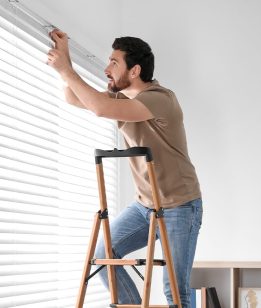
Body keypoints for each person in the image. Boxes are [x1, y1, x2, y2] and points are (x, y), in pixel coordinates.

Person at [47, 30, 203, 308]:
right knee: (105, 255)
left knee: (176, 292)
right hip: (145, 206)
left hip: (180, 205)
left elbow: (98, 108)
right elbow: (73, 98)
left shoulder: (160, 99)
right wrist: (66, 60)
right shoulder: (126, 103)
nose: (106, 69)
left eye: (113, 63)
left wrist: (66, 69)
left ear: (135, 71)